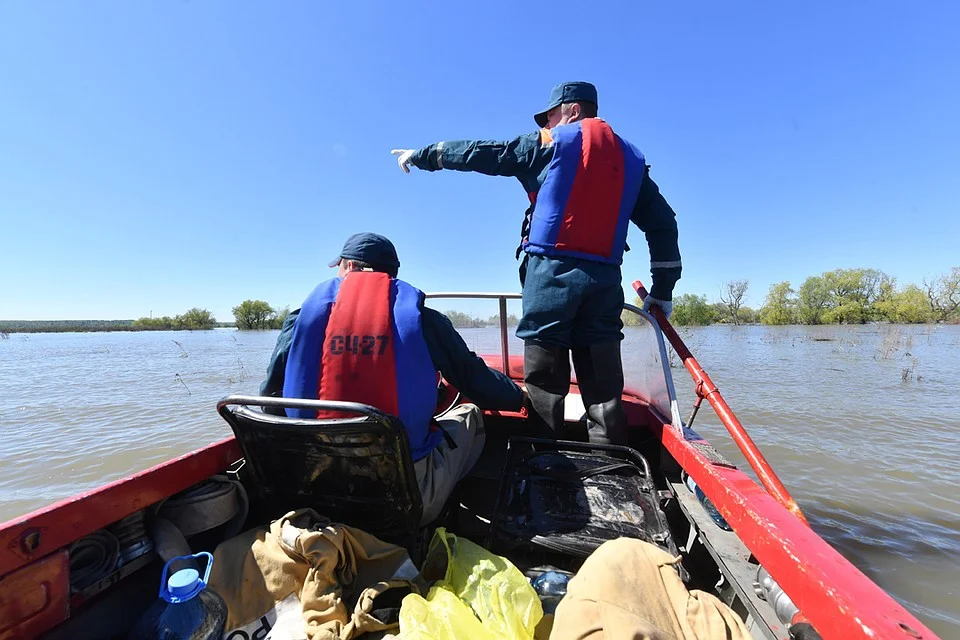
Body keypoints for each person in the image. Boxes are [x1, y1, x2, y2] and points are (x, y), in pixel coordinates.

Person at [390, 82, 681, 446]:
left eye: (550, 116)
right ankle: (611, 461)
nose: (547, 124)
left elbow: (483, 153)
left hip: (550, 279)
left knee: (544, 382)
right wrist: (662, 291)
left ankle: (546, 458)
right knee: (604, 389)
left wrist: (425, 155)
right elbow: (663, 224)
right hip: (605, 282)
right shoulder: (632, 161)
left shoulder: (548, 144)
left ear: (572, 111)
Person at [260, 232, 525, 524]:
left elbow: (271, 399)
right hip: (405, 504)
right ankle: (454, 508)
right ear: (391, 274)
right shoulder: (423, 319)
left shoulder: (299, 320)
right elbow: (473, 379)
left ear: (348, 266)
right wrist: (519, 398)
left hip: (312, 492)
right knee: (471, 414)